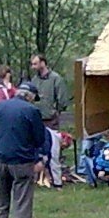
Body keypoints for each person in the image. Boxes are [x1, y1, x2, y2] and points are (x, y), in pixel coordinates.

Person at [0, 80, 51, 218]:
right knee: (22, 208)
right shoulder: (32, 111)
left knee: (0, 206)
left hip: (0, 162)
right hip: (22, 163)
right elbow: (39, 139)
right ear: (30, 97)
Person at [29, 54, 71, 187]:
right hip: (36, 120)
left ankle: (55, 179)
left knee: (52, 150)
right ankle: (38, 177)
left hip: (50, 119)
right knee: (35, 149)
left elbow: (63, 99)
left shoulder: (55, 78)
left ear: (43, 63)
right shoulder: (34, 80)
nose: (33, 67)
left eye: (35, 64)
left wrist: (55, 112)